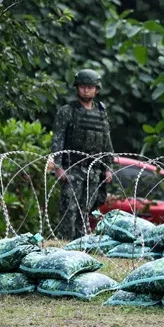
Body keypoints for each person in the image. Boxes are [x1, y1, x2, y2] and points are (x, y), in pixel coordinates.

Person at [47, 69, 114, 240]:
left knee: (86, 209)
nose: (85, 90)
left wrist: (108, 167)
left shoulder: (101, 112)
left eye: (89, 87)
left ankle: (81, 243)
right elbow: (58, 140)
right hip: (72, 168)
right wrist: (59, 167)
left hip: (93, 170)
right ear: (77, 88)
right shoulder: (67, 111)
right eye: (82, 87)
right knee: (69, 208)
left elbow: (106, 140)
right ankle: (66, 243)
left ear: (96, 89)